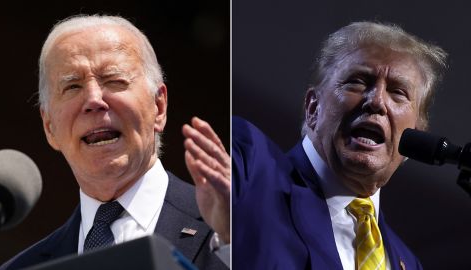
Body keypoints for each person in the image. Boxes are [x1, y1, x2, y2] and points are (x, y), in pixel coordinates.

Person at [188, 21, 447, 269]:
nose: (377, 100)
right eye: (358, 81)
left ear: (415, 140)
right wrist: (226, 235)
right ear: (313, 107)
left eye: (398, 92)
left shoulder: (408, 263)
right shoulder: (250, 162)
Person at [0, 15, 229, 270]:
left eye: (113, 80)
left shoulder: (233, 228)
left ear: (159, 107)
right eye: (73, 86)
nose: (94, 100)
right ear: (49, 127)